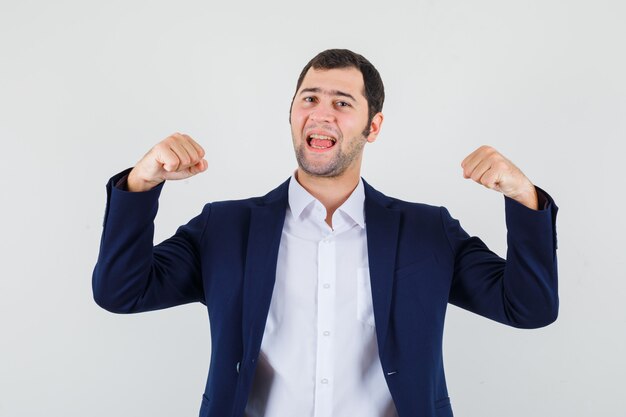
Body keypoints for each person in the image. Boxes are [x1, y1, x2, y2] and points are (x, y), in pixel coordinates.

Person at [93, 49, 559, 417]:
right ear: (292, 114)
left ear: (372, 126)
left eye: (342, 103)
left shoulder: (426, 231)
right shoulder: (225, 227)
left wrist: (523, 197)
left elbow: (528, 308)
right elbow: (121, 291)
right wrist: (141, 183)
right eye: (309, 99)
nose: (321, 113)